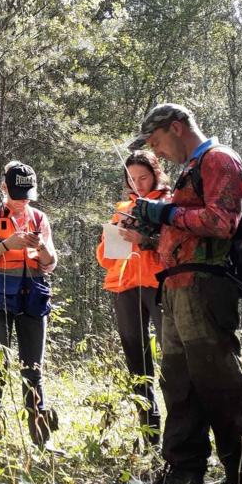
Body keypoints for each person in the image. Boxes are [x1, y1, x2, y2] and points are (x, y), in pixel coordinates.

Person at [129, 103, 242, 484]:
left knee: (218, 379)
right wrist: (153, 229)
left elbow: (223, 222)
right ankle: (183, 473)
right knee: (179, 383)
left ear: (177, 127)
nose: (159, 153)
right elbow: (187, 231)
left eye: (158, 142)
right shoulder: (191, 169)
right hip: (174, 287)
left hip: (205, 287)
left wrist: (166, 213)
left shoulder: (219, 159)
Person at [0, 160, 58, 448]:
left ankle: (41, 441)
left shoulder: (40, 219)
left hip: (32, 296)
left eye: (26, 195)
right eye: (16, 194)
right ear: (3, 187)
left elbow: (51, 263)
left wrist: (39, 245)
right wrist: (7, 245)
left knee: (33, 369)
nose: (21, 201)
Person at [95, 151, 169, 446]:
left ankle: (179, 435)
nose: (138, 184)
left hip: (159, 285)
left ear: (156, 174)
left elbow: (181, 247)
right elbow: (104, 258)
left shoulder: (168, 204)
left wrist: (146, 241)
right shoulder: (123, 209)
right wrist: (116, 235)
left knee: (173, 360)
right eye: (132, 178)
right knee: (137, 363)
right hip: (125, 287)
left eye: (143, 177)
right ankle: (149, 434)